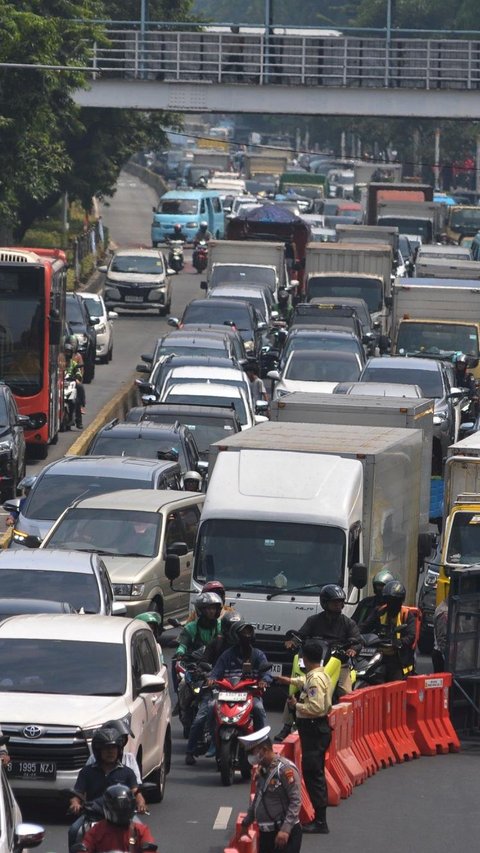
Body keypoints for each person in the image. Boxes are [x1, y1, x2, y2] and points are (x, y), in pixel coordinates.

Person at [274, 584, 361, 741]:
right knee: (294, 689)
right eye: (335, 602)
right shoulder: (313, 620)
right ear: (325, 602)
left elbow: (357, 641)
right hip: (315, 662)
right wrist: (293, 642)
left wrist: (353, 649)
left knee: (345, 693)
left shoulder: (348, 623)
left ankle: (350, 726)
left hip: (338, 663)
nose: (339, 605)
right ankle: (287, 726)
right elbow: (300, 635)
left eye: (341, 602)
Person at [276, 640, 333, 835]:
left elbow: (315, 707)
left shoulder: (315, 679)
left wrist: (296, 706)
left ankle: (320, 821)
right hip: (319, 730)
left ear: (304, 659)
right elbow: (305, 683)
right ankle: (320, 818)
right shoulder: (320, 674)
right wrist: (289, 680)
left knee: (313, 774)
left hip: (313, 730)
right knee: (315, 773)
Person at [68, 727, 145, 852]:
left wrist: (141, 804)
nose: (110, 752)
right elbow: (78, 793)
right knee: (74, 831)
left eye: (113, 748)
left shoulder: (127, 772)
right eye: (106, 748)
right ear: (98, 751)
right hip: (93, 814)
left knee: (141, 831)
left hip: (123, 816)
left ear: (119, 750)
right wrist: (75, 804)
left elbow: (136, 792)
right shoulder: (87, 772)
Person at [184, 610, 244, 764]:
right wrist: (208, 675)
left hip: (240, 689)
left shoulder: (247, 647)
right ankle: (190, 751)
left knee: (256, 710)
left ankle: (258, 747)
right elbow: (204, 662)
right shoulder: (216, 643)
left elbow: (258, 664)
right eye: (234, 629)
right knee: (203, 716)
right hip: (217, 688)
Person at [239, 726, 302, 853]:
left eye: (252, 752)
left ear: (264, 750)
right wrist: (246, 822)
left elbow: (296, 800)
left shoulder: (285, 770)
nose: (251, 756)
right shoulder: (263, 770)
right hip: (266, 835)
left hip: (283, 834)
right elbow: (258, 798)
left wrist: (285, 829)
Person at [208, 620, 272, 730]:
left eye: (249, 633)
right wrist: (212, 679)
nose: (247, 636)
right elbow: (216, 672)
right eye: (244, 633)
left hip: (250, 694)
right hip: (227, 694)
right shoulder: (227, 655)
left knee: (258, 709)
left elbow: (267, 673)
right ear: (235, 636)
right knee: (210, 707)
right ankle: (211, 739)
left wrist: (264, 681)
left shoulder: (258, 655)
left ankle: (260, 742)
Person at [175, 591, 223, 729]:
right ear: (201, 610)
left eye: (214, 608)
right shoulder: (191, 627)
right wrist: (180, 653)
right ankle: (184, 712)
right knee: (183, 684)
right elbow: (183, 644)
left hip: (215, 666)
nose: (211, 611)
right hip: (194, 666)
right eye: (208, 608)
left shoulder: (220, 627)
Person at [361, 580, 417, 682]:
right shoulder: (379, 611)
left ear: (400, 601)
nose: (392, 603)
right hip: (378, 653)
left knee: (395, 681)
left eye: (395, 601)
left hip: (397, 657)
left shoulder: (407, 615)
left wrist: (398, 642)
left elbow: (411, 636)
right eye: (389, 600)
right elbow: (365, 627)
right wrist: (356, 636)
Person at [78, 784, 157, 853]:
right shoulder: (97, 830)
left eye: (124, 809)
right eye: (117, 808)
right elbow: (85, 847)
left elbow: (149, 849)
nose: (121, 813)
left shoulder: (140, 830)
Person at [84, 720, 142, 785]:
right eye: (107, 747)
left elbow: (137, 784)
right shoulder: (93, 759)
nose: (110, 751)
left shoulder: (129, 759)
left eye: (113, 747)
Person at [65, 334, 85, 429]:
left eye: (69, 352)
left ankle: (78, 420)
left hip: (71, 383)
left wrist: (77, 378)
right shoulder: (59, 361)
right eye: (66, 352)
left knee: (76, 400)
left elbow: (79, 372)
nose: (67, 354)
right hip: (61, 383)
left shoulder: (74, 362)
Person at [453, 353, 478, 418]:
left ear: (465, 365)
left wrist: (472, 395)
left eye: (462, 364)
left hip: (466, 399)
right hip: (454, 398)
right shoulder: (452, 375)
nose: (460, 365)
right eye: (459, 364)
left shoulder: (469, 376)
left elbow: (473, 388)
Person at [432, 598, 449, 672]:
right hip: (440, 655)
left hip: (440, 653)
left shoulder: (444, 609)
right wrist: (447, 657)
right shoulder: (444, 612)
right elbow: (442, 638)